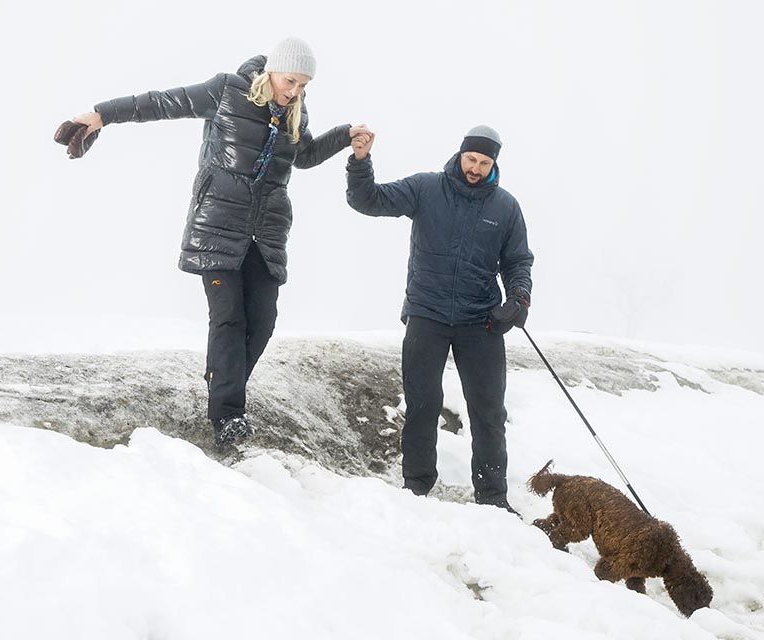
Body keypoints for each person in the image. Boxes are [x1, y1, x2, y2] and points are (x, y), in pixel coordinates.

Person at [55, 37, 372, 446]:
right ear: (273, 70)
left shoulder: (295, 112)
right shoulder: (226, 91)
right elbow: (160, 103)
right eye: (290, 80)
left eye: (303, 85)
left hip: (266, 232)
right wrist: (99, 115)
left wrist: (345, 135)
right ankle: (228, 416)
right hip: (219, 225)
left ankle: (221, 379)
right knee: (229, 319)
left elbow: (304, 156)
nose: (294, 91)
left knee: (262, 321)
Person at [345, 125, 534, 513]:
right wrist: (360, 162)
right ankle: (416, 486)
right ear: (460, 154)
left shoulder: (505, 207)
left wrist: (518, 298)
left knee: (488, 411)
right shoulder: (426, 189)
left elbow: (518, 262)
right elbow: (369, 200)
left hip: (481, 320)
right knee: (422, 403)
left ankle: (493, 496)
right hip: (426, 314)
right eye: (471, 159)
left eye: (484, 163)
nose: (476, 168)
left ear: (494, 164)